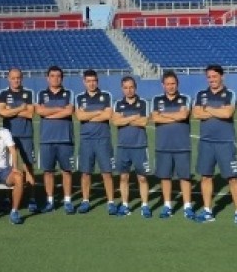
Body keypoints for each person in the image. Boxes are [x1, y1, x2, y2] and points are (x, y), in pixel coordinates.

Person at [192, 65, 237, 226]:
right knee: (205, 176)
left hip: (225, 142)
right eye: (209, 77)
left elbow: (228, 113)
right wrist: (218, 110)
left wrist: (208, 108)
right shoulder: (201, 94)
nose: (212, 80)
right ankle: (208, 211)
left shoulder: (230, 94)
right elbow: (196, 113)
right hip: (206, 142)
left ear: (222, 76)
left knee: (233, 178)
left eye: (214, 76)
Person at [151, 71, 196, 220]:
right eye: (168, 84)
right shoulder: (157, 99)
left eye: (173, 84)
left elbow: (183, 115)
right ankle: (167, 205)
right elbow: (155, 117)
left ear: (177, 84)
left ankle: (187, 206)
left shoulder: (185, 98)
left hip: (182, 145)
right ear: (163, 85)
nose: (170, 86)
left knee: (184, 177)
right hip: (163, 145)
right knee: (165, 177)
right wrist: (174, 116)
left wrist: (164, 115)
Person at [75, 69, 116, 215]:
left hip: (103, 139)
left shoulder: (106, 96)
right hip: (86, 139)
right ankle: (85, 201)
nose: (91, 84)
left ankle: (111, 202)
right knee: (86, 173)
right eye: (89, 81)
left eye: (94, 81)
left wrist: (88, 115)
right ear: (84, 82)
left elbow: (108, 115)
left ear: (97, 81)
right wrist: (98, 112)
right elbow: (80, 117)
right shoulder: (79, 97)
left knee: (107, 172)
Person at [36, 66, 76, 214]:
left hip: (65, 139)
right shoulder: (41, 94)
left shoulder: (69, 93)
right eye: (52, 76)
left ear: (62, 78)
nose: (55, 78)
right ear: (47, 78)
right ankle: (50, 201)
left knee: (66, 171)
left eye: (58, 76)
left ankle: (67, 201)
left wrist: (48, 113)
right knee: (48, 171)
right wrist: (60, 109)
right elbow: (39, 111)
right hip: (46, 139)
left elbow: (69, 111)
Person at [0, 67, 37, 212]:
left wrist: (11, 110)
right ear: (8, 79)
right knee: (8, 167)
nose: (16, 80)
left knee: (28, 166)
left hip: (26, 134)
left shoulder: (28, 93)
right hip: (9, 136)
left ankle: (32, 197)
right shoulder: (3, 93)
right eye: (13, 78)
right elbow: (2, 112)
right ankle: (8, 197)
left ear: (22, 78)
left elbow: (30, 114)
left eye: (18, 78)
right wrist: (20, 108)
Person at [112, 76, 151, 218]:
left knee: (142, 178)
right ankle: (125, 205)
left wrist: (124, 119)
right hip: (123, 147)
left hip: (139, 146)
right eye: (126, 88)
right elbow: (116, 122)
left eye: (131, 87)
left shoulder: (143, 103)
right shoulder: (118, 103)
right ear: (122, 89)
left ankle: (145, 205)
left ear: (135, 88)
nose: (129, 90)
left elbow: (144, 122)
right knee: (124, 177)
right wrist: (133, 117)